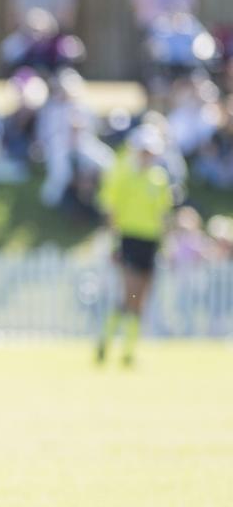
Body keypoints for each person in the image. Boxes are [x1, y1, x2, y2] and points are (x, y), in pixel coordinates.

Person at [95, 124, 175, 367]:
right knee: (128, 294)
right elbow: (111, 209)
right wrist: (115, 241)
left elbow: (162, 215)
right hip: (128, 238)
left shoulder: (158, 179)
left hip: (150, 242)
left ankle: (129, 350)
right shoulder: (124, 175)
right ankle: (107, 341)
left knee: (140, 299)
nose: (147, 156)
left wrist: (165, 244)